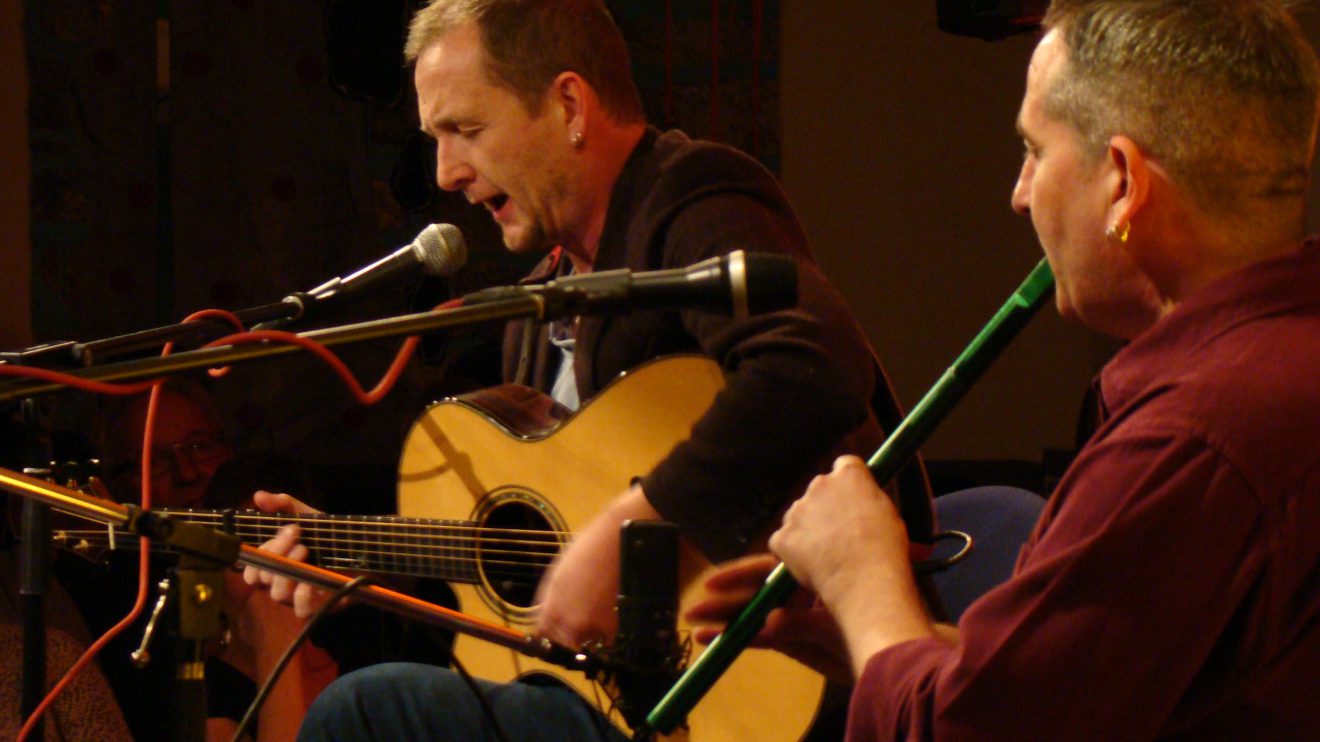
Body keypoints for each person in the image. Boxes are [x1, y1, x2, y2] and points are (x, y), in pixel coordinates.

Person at [246, 0, 914, 738]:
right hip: (623, 693)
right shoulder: (540, 304)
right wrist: (356, 555)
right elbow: (549, 544)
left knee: (364, 712)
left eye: (465, 130)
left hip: (773, 671)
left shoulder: (688, 195)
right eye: (435, 139)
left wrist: (641, 525)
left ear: (568, 104)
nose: (446, 173)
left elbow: (815, 363)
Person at [691, 1, 1320, 738]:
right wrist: (868, 637)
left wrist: (866, 580)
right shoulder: (1277, 370)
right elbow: (1073, 698)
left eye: (1034, 151)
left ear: (1121, 181)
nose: (1019, 195)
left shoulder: (1196, 434)